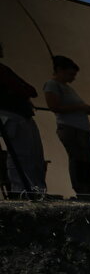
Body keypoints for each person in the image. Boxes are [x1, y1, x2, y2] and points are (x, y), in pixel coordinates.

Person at [43, 54, 90, 199]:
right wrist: (80, 107)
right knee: (78, 159)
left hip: (82, 129)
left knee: (88, 160)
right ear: (59, 70)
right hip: (70, 128)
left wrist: (87, 109)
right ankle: (82, 190)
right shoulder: (52, 85)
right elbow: (54, 107)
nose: (73, 78)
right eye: (70, 74)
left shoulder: (68, 88)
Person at [0, 41, 47, 196]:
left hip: (20, 114)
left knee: (32, 155)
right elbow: (23, 88)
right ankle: (20, 189)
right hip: (11, 114)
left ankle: (32, 189)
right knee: (20, 155)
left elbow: (29, 89)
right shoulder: (2, 71)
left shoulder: (4, 69)